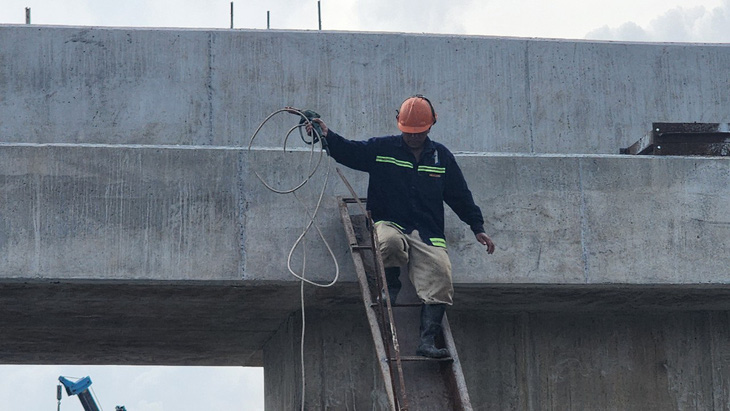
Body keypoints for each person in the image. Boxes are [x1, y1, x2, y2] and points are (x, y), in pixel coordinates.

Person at [305, 95, 495, 358]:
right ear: (399, 125)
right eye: (408, 132)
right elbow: (349, 151)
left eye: (418, 132)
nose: (413, 137)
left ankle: (427, 341)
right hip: (390, 222)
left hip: (428, 231)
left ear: (430, 126)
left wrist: (477, 226)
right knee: (390, 244)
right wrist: (326, 135)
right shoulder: (382, 149)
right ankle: (390, 287)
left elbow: (459, 195)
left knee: (441, 276)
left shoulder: (441, 157)